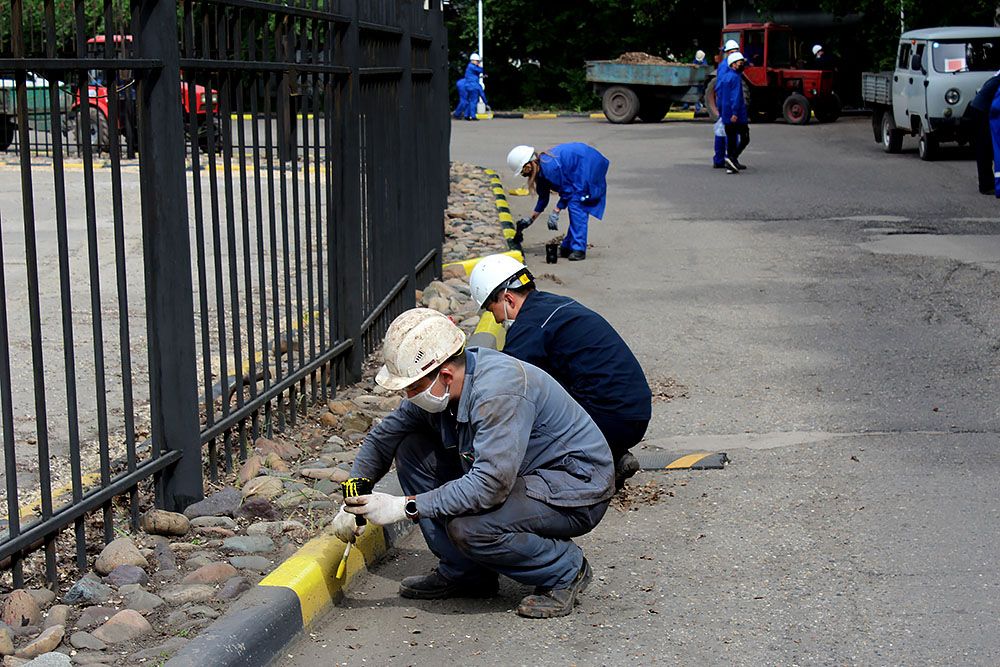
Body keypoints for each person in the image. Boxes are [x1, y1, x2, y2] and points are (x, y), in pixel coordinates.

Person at [333, 308, 614, 618]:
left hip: (574, 486)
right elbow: (383, 438)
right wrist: (353, 496)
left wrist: (406, 506)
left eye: (412, 388)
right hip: (522, 477)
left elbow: (489, 486)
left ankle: (564, 569)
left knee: (469, 527)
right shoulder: (443, 385)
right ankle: (466, 573)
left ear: (445, 375)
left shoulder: (497, 394)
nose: (408, 396)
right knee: (411, 449)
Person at [469, 254, 652, 490]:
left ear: (508, 299)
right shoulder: (551, 305)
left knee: (523, 414)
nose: (494, 317)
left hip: (612, 420)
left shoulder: (529, 327)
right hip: (634, 413)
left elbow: (504, 387)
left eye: (490, 309)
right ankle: (611, 455)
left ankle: (586, 471)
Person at [505, 143, 610, 261]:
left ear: (528, 165)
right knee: (575, 204)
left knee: (577, 205)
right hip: (580, 163)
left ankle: (579, 249)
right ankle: (568, 245)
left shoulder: (550, 168)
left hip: (588, 163)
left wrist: (556, 210)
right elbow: (543, 198)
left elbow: (568, 192)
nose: (523, 175)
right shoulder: (541, 170)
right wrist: (530, 219)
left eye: (522, 172)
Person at [967, 71, 1000, 194]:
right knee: (984, 148)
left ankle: (987, 184)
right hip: (981, 111)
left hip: (979, 108)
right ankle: (986, 185)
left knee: (985, 148)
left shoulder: (996, 77)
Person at [718, 51, 749, 173]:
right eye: (740, 63)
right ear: (733, 64)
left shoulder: (725, 77)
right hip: (737, 114)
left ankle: (731, 164)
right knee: (745, 137)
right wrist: (735, 112)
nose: (742, 65)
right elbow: (735, 97)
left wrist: (723, 112)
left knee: (731, 138)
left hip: (726, 113)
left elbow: (720, 95)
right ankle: (732, 158)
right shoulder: (735, 78)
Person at [713, 39, 741, 169]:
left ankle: (722, 159)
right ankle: (726, 159)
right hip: (726, 104)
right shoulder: (727, 66)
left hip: (725, 103)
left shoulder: (727, 65)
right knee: (729, 132)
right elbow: (722, 87)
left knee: (724, 131)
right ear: (729, 52)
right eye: (735, 52)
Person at [460, 53, 487, 121]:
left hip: (468, 86)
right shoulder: (473, 66)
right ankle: (473, 116)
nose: (478, 62)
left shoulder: (469, 67)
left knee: (469, 101)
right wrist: (479, 66)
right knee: (473, 101)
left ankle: (466, 115)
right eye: (477, 61)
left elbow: (474, 75)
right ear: (473, 60)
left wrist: (481, 76)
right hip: (473, 86)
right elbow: (480, 70)